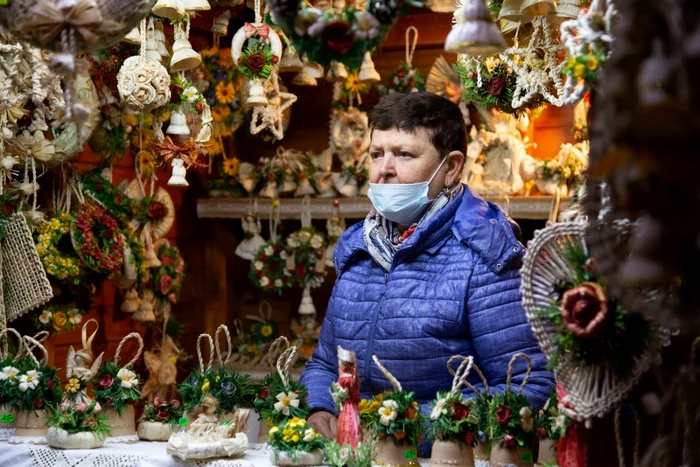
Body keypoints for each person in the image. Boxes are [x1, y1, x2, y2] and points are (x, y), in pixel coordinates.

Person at [299, 92, 554, 440]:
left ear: (450, 168)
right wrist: (319, 408)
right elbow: (325, 364)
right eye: (376, 154)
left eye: (404, 154)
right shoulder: (359, 248)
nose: (384, 169)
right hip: (357, 454)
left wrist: (406, 431)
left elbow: (528, 386)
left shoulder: (484, 256)